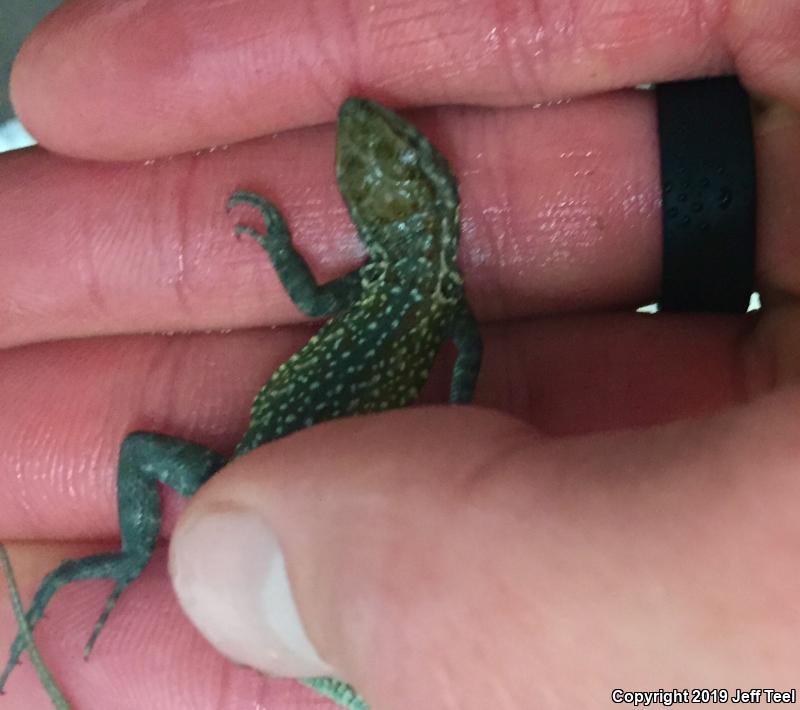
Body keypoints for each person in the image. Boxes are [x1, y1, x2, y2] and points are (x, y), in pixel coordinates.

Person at [1, 1, 799, 708]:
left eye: (362, 169)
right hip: (270, 483)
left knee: (142, 451)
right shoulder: (436, 301)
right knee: (147, 454)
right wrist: (454, 417)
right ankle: (112, 572)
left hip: (253, 483)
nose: (354, 137)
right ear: (440, 201)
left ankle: (125, 560)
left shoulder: (405, 297)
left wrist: (285, 246)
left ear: (389, 221)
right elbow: (459, 354)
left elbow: (319, 304)